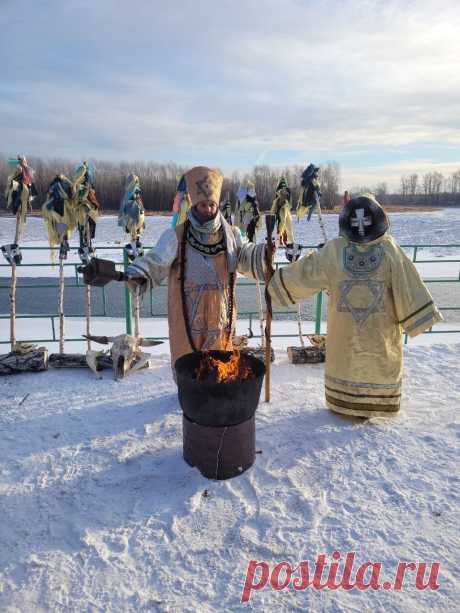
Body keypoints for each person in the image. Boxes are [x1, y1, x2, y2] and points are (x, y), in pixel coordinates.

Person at [268, 194, 443, 418]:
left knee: (348, 359)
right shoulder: (390, 249)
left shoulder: (336, 250)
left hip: (348, 334)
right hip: (380, 335)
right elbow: (409, 287)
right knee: (375, 360)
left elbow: (305, 273)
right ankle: (366, 402)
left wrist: (276, 281)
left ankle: (354, 403)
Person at [125, 166, 266, 368]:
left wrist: (263, 254)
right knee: (190, 370)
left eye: (212, 204)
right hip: (187, 319)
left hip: (221, 317)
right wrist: (136, 274)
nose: (208, 209)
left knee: (220, 367)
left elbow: (243, 256)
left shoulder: (232, 235)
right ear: (194, 205)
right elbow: (157, 260)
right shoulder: (176, 235)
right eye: (203, 205)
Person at [270, 177, 294, 246]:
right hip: (281, 210)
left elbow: (288, 202)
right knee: (282, 225)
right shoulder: (280, 191)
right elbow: (278, 201)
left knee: (284, 225)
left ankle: (283, 240)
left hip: (284, 210)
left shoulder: (284, 190)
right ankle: (280, 240)